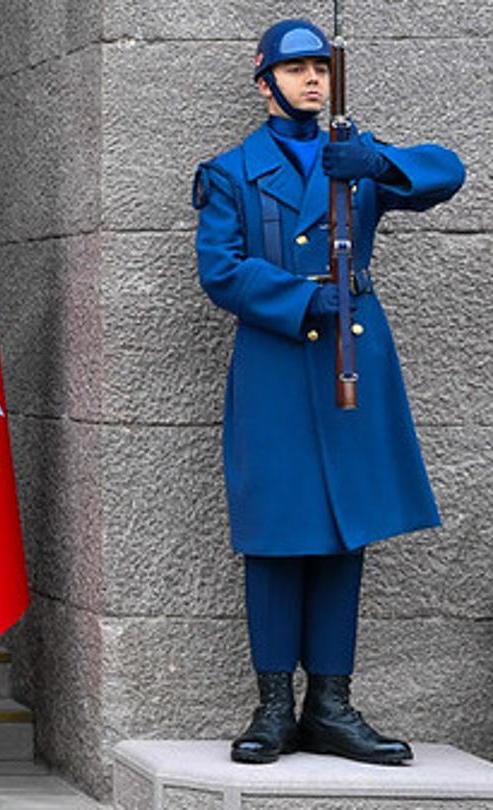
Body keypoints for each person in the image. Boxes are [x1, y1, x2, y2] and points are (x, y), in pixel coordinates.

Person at [191, 18, 464, 767]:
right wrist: (299, 297)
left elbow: (448, 171)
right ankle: (274, 707)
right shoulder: (231, 172)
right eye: (296, 68)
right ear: (265, 84)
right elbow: (220, 268)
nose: (313, 79)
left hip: (353, 359)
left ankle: (331, 706)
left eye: (321, 67)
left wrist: (378, 162)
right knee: (275, 535)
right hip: (278, 362)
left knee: (349, 530)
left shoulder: (354, 154)